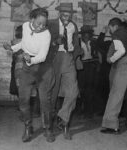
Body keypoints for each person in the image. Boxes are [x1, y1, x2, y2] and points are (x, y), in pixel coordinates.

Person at [3, 8, 55, 143]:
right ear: (32, 20)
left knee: (45, 101)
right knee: (23, 99)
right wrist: (12, 48)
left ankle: (48, 128)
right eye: (38, 23)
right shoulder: (25, 26)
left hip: (43, 68)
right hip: (28, 68)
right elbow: (24, 43)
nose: (41, 27)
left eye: (44, 24)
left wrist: (30, 60)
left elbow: (42, 57)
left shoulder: (46, 34)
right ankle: (28, 127)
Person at [48, 3, 82, 140]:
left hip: (68, 58)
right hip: (54, 59)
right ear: (59, 12)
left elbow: (76, 43)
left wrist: (75, 56)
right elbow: (43, 42)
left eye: (69, 13)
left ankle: (63, 118)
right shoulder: (50, 24)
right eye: (64, 12)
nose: (67, 15)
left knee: (73, 91)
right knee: (53, 92)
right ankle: (49, 127)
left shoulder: (73, 25)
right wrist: (54, 42)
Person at [100, 17, 127, 134]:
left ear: (114, 26)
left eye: (110, 29)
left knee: (116, 93)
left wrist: (111, 60)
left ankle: (111, 125)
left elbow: (121, 51)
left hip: (125, 62)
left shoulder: (117, 33)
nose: (110, 31)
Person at [77, 25, 101, 117]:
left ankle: (89, 110)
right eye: (84, 34)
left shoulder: (94, 42)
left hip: (91, 66)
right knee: (81, 89)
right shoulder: (78, 43)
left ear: (90, 34)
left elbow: (98, 55)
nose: (86, 36)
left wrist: (98, 64)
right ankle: (81, 109)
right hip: (81, 67)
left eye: (88, 34)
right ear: (82, 35)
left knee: (90, 89)